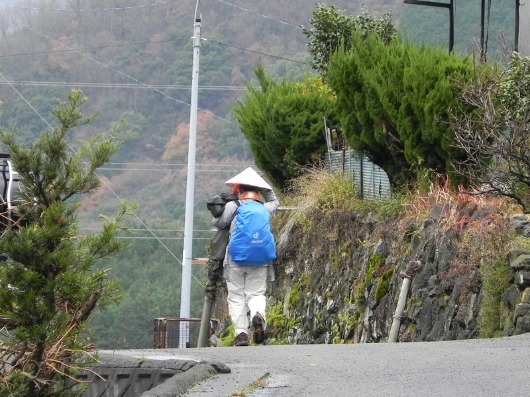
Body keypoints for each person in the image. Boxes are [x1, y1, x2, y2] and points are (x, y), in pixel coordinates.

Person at [212, 168, 279, 346]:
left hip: (235, 259)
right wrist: (265, 188)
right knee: (256, 294)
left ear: (239, 190)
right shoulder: (264, 208)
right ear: (258, 191)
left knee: (236, 297)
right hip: (260, 259)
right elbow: (275, 201)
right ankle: (257, 315)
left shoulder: (234, 206)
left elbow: (220, 223)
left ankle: (241, 334)